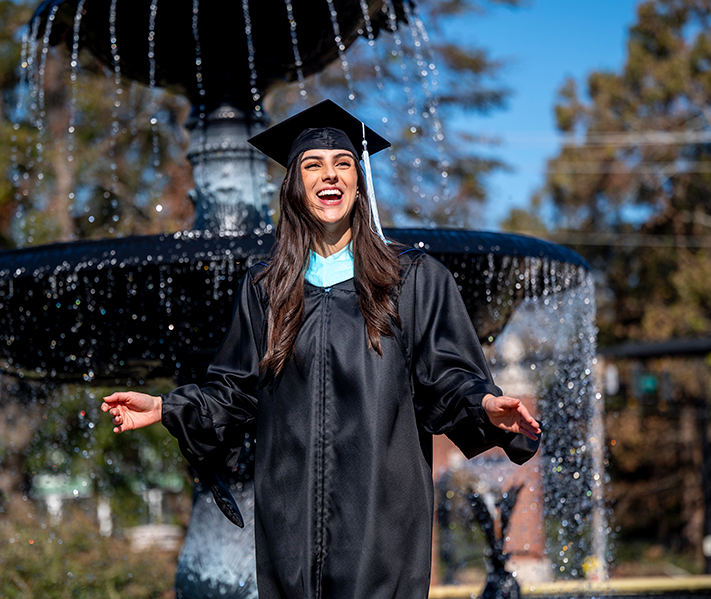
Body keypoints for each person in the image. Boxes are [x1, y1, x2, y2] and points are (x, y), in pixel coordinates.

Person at [101, 100, 542, 599]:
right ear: (294, 185)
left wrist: (486, 406)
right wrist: (165, 406)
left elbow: (446, 378)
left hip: (381, 517)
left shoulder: (414, 281)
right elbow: (233, 390)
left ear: (359, 183)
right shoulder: (266, 289)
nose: (329, 176)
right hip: (288, 519)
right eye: (313, 165)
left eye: (342, 164)